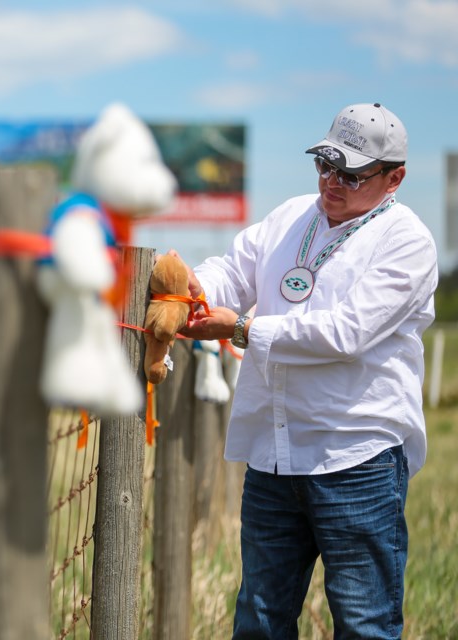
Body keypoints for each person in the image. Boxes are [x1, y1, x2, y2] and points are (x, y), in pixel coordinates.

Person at [176, 102, 438, 639]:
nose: (331, 181)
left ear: (395, 179)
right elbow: (232, 268)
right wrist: (196, 291)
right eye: (324, 164)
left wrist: (242, 330)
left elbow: (346, 333)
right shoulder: (293, 215)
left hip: (356, 458)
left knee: (364, 626)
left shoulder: (407, 242)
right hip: (273, 459)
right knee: (259, 622)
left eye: (350, 174)